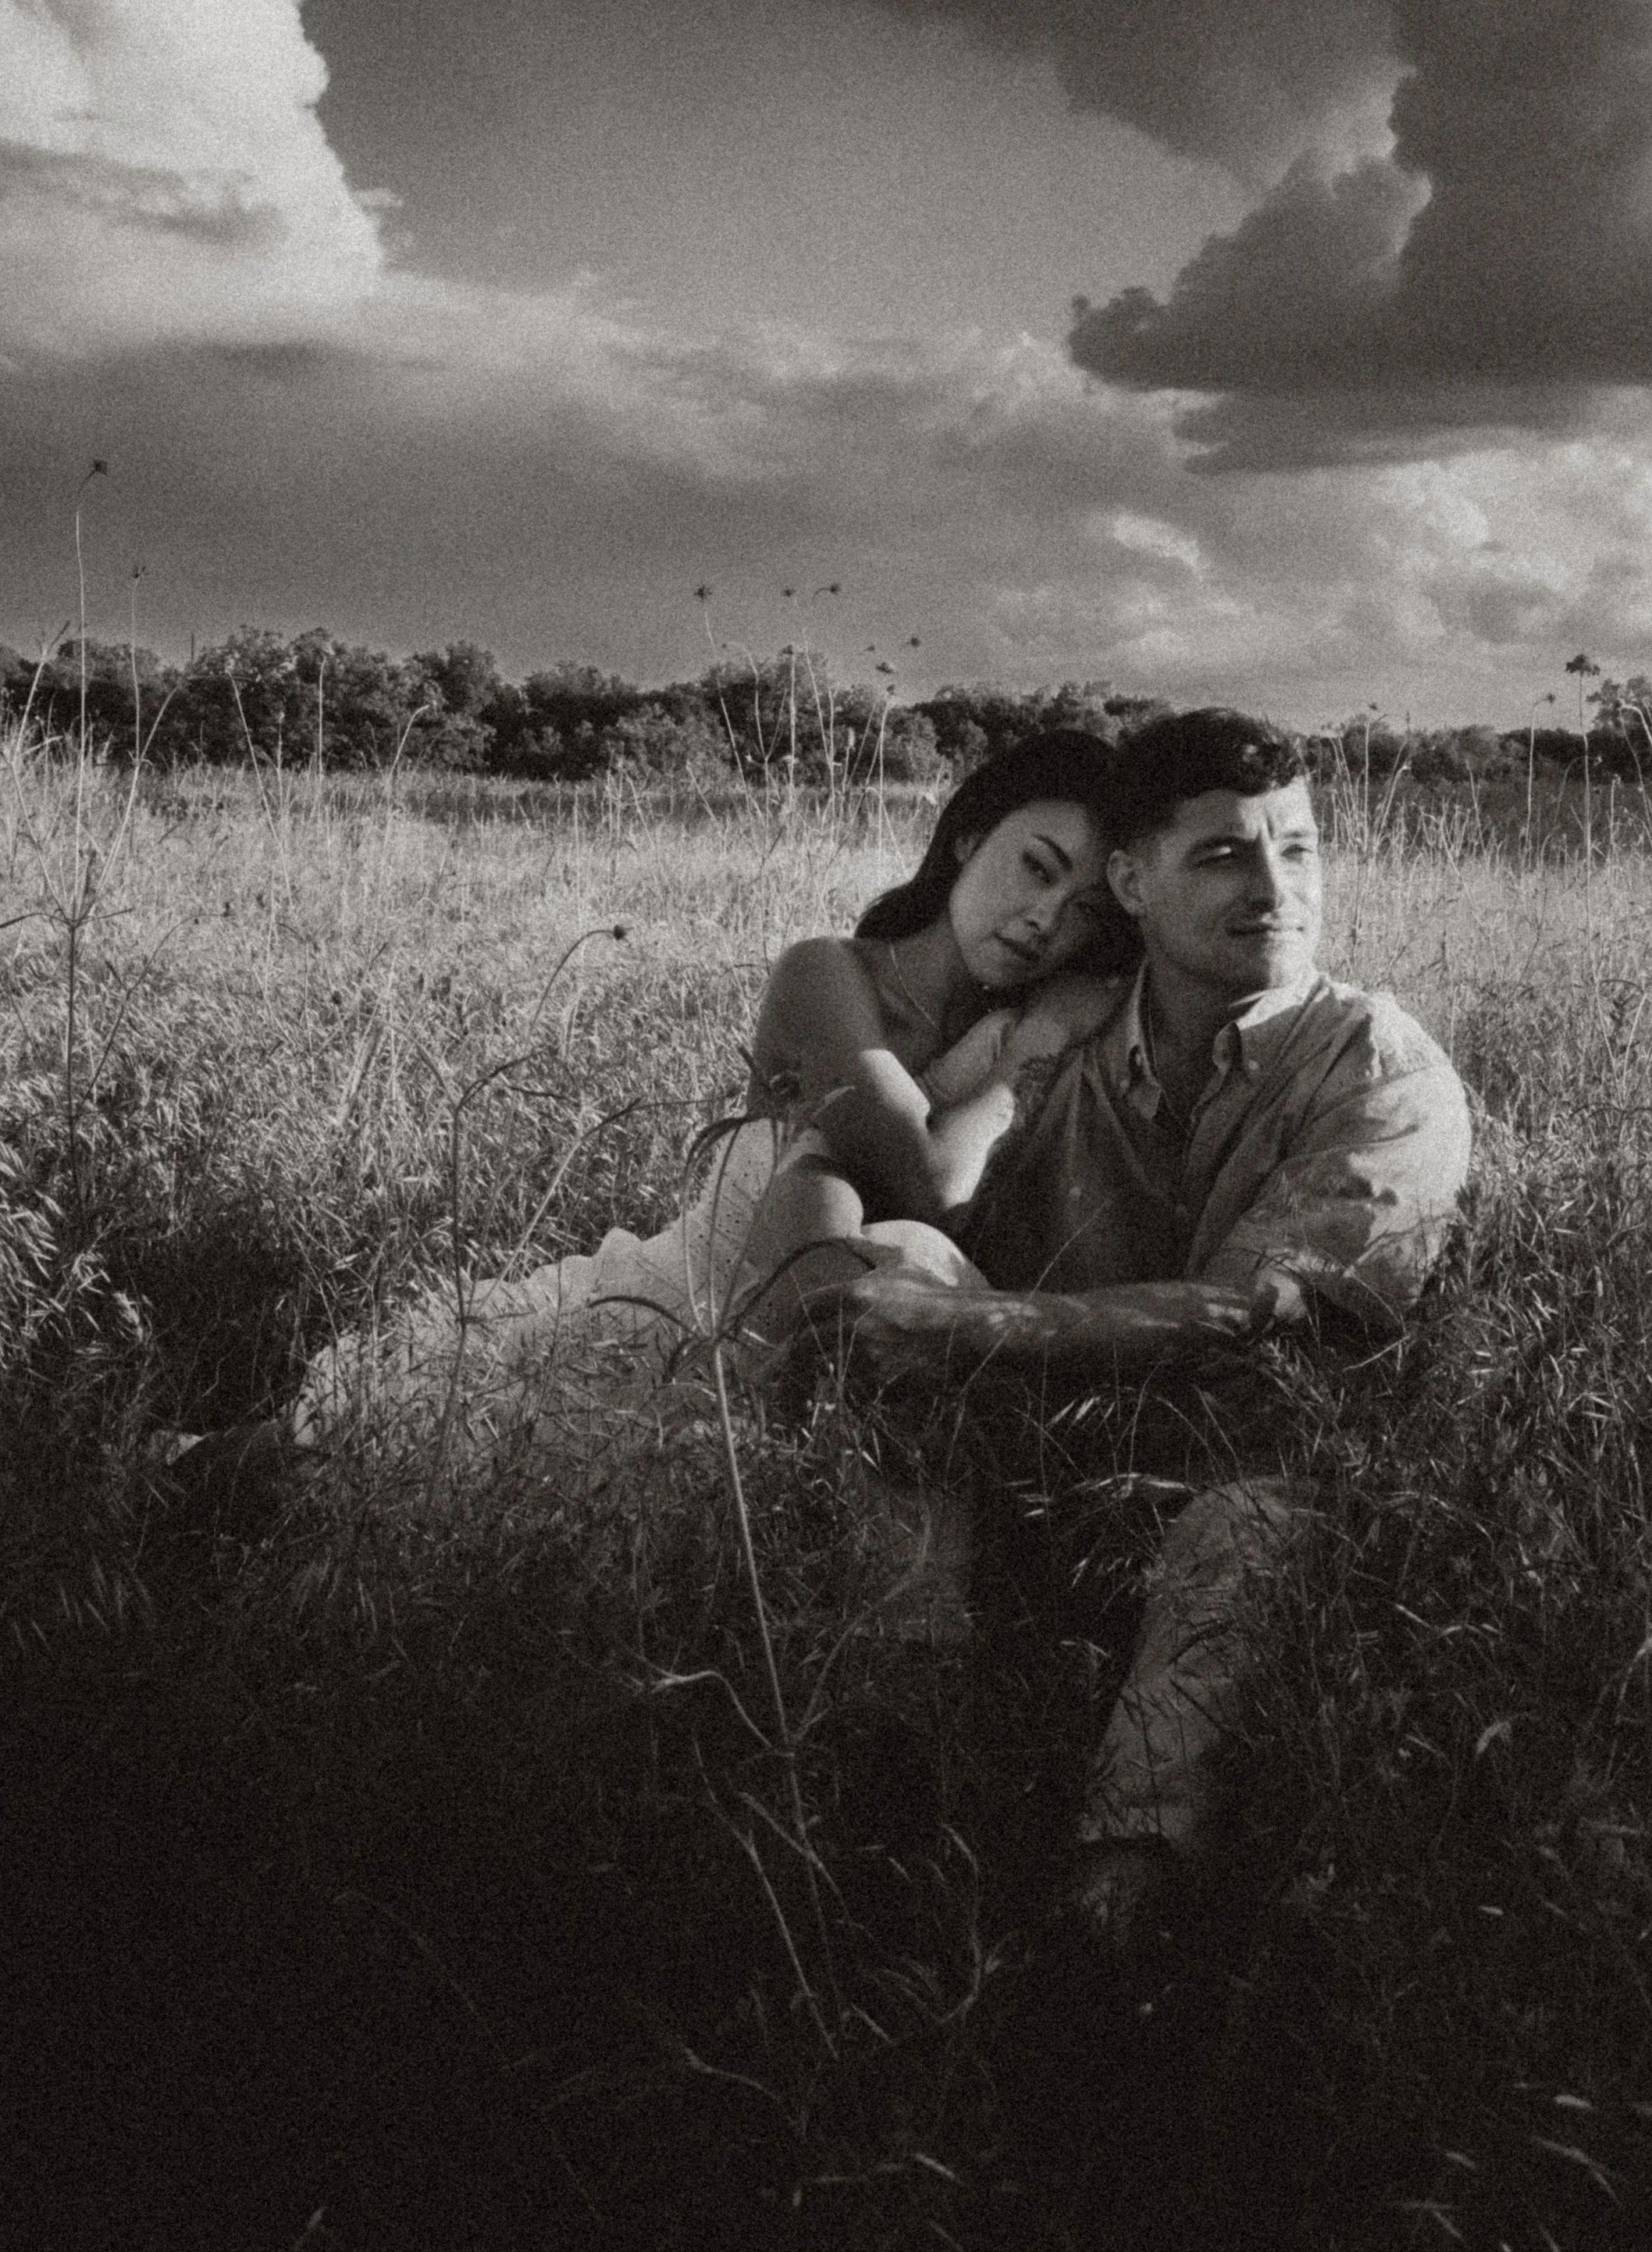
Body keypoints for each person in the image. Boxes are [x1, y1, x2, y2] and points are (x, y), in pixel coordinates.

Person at [806, 707, 1472, 1949]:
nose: (1277, 889)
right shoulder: (1059, 1033)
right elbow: (890, 1186)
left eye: (1300, 848)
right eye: (1223, 854)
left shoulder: (1378, 1065)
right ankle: (898, 1815)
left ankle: (1114, 1916)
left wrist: (984, 1329)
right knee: (899, 1276)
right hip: (1036, 1450)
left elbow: (1258, 1312)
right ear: (1132, 882)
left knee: (1249, 1528)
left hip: (1240, 1462)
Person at [287, 731, 1130, 1486]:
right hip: (668, 1318)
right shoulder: (830, 974)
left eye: (1085, 911)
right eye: (1037, 868)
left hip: (817, 1382)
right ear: (967, 838)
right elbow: (931, 1182)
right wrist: (1040, 1039)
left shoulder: (1006, 1026)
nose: (1045, 919)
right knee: (358, 1445)